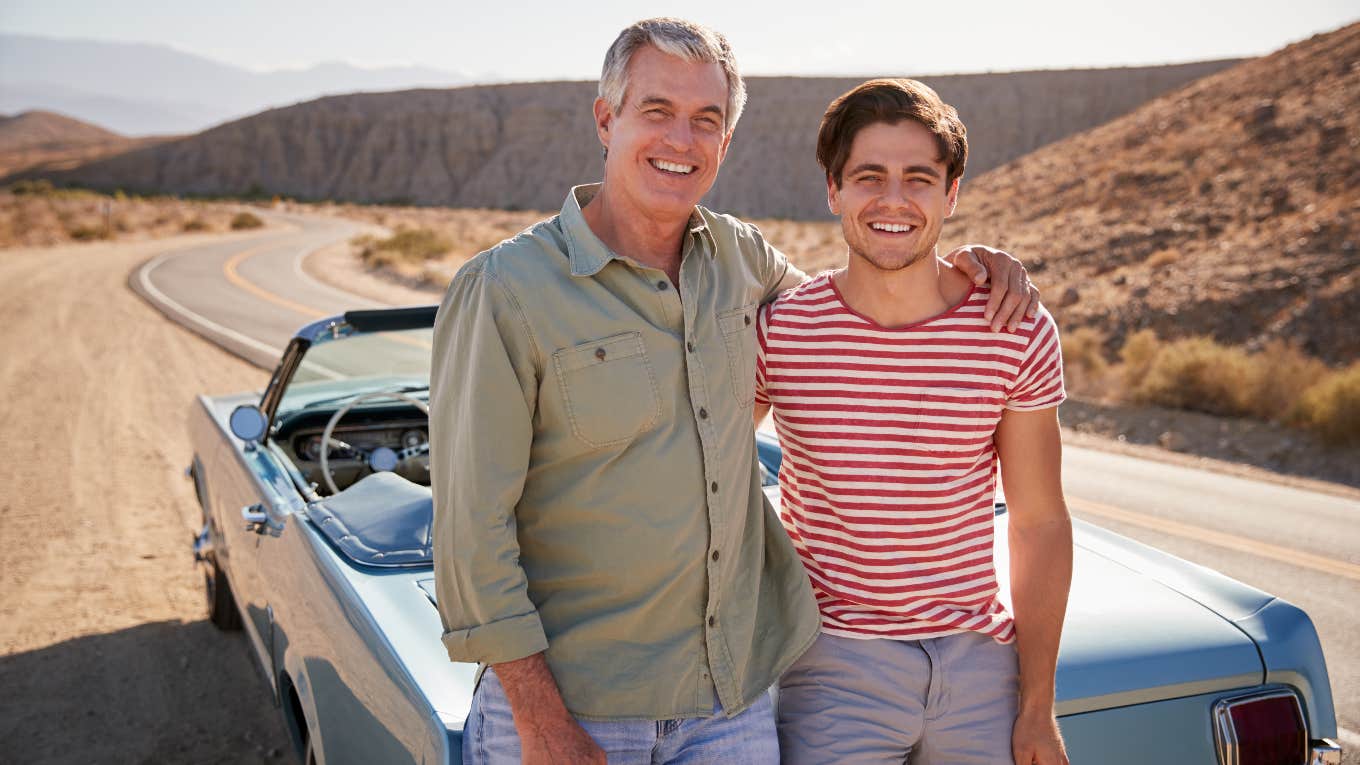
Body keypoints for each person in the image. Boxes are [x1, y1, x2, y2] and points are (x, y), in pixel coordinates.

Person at [430, 19, 1040, 764]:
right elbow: (469, 531)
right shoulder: (506, 289)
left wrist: (962, 265)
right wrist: (541, 721)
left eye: (706, 121)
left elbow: (859, 311)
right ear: (606, 118)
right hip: (578, 711)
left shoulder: (741, 258)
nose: (681, 140)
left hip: (730, 708)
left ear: (725, 141)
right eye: (657, 111)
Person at [755, 77, 1072, 765]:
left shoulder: (1012, 326)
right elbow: (699, 470)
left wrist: (1037, 706)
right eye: (869, 177)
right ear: (832, 190)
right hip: (831, 667)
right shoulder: (780, 329)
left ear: (950, 194)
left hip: (982, 670)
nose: (893, 200)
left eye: (918, 179)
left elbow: (1038, 521)